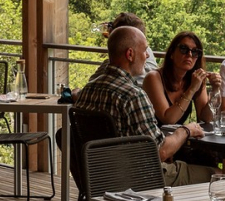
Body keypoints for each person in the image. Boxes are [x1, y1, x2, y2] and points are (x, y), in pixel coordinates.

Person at [75, 25, 209, 187]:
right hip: (139, 178)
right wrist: (186, 130)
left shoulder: (88, 90)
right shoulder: (133, 96)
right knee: (219, 175)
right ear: (130, 54)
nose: (147, 56)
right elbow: (160, 151)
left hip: (99, 178)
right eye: (145, 50)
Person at [143, 31, 221, 125]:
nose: (190, 55)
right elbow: (168, 120)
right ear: (172, 53)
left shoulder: (196, 79)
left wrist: (215, 90)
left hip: (179, 137)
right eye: (184, 49)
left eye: (195, 52)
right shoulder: (153, 77)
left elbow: (206, 118)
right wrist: (191, 89)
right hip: (155, 137)